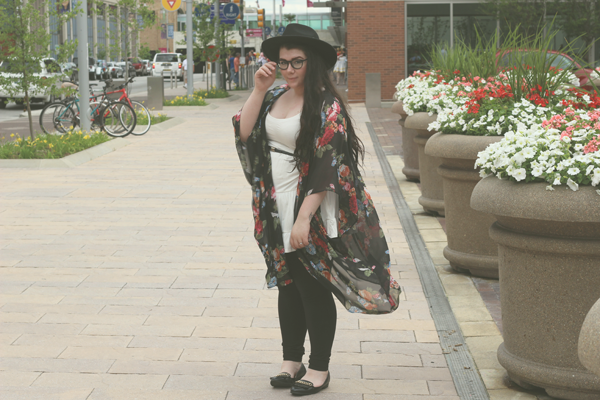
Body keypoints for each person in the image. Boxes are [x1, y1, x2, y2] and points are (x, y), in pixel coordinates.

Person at [232, 24, 401, 397]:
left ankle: (320, 367)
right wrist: (258, 89)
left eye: (297, 62)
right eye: (282, 62)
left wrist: (304, 218)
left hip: (309, 205)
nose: (289, 69)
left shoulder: (327, 105)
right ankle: (291, 360)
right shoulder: (274, 95)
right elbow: (245, 135)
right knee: (288, 283)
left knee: (312, 283)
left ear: (313, 63)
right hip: (274, 204)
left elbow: (328, 166)